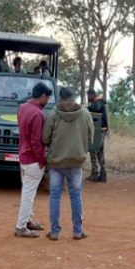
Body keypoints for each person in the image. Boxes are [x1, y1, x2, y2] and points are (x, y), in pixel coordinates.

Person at [43, 86, 94, 241]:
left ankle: (54, 232)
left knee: (55, 196)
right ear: (74, 96)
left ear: (60, 97)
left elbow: (45, 138)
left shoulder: (53, 114)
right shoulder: (85, 113)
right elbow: (91, 135)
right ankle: (78, 231)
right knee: (76, 196)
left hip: (56, 162)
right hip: (76, 161)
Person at [14, 82, 53, 238]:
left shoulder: (23, 108)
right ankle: (21, 226)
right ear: (42, 96)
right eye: (47, 97)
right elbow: (37, 141)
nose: (48, 100)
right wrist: (42, 159)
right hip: (32, 159)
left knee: (27, 190)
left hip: (23, 155)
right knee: (28, 193)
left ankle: (27, 221)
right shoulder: (38, 114)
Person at [86, 89, 108, 182]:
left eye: (88, 96)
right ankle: (102, 174)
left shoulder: (97, 102)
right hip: (101, 130)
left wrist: (87, 109)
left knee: (94, 150)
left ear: (92, 95)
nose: (88, 98)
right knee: (99, 152)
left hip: (99, 131)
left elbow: (96, 108)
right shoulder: (99, 101)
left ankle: (95, 173)